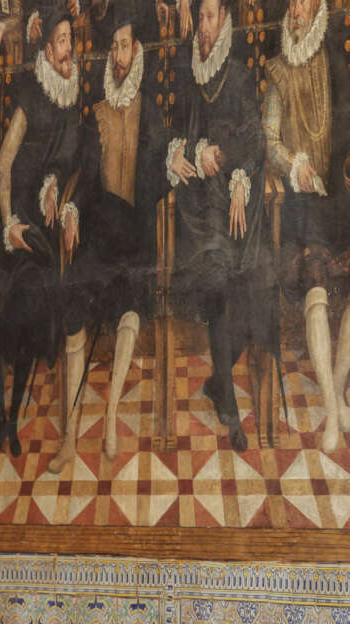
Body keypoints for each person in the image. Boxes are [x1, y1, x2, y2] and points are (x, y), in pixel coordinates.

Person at [0, 8, 92, 464]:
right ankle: (3, 414)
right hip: (12, 226)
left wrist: (55, 194)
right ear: (48, 50)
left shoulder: (72, 98)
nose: (69, 50)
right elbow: (3, 165)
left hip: (39, 231)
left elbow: (67, 164)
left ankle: (11, 421)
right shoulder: (31, 95)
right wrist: (8, 225)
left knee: (31, 305)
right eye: (62, 42)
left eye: (70, 41)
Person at [55, 9, 168, 469]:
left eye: (126, 46)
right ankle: (69, 431)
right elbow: (82, 177)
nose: (119, 56)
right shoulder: (95, 112)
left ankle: (110, 416)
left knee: (130, 304)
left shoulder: (152, 111)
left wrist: (176, 164)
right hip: (100, 230)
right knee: (73, 300)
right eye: (114, 47)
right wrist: (71, 208)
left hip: (137, 233)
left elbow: (162, 173)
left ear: (137, 51)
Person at [166, 0, 276, 452]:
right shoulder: (190, 78)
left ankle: (217, 381)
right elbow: (175, 134)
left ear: (226, 22)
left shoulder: (238, 75)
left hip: (235, 203)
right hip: (196, 207)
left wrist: (232, 169)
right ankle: (229, 407)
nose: (203, 28)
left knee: (254, 283)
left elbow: (255, 141)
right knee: (215, 279)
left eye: (210, 18)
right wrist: (183, 153)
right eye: (201, 19)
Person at [263, 0, 350, 452]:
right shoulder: (278, 69)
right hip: (301, 199)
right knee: (315, 288)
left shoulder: (338, 59)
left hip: (340, 193)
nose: (298, 8)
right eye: (292, 1)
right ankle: (334, 414)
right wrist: (292, 163)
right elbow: (270, 138)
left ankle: (335, 389)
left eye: (306, 0)